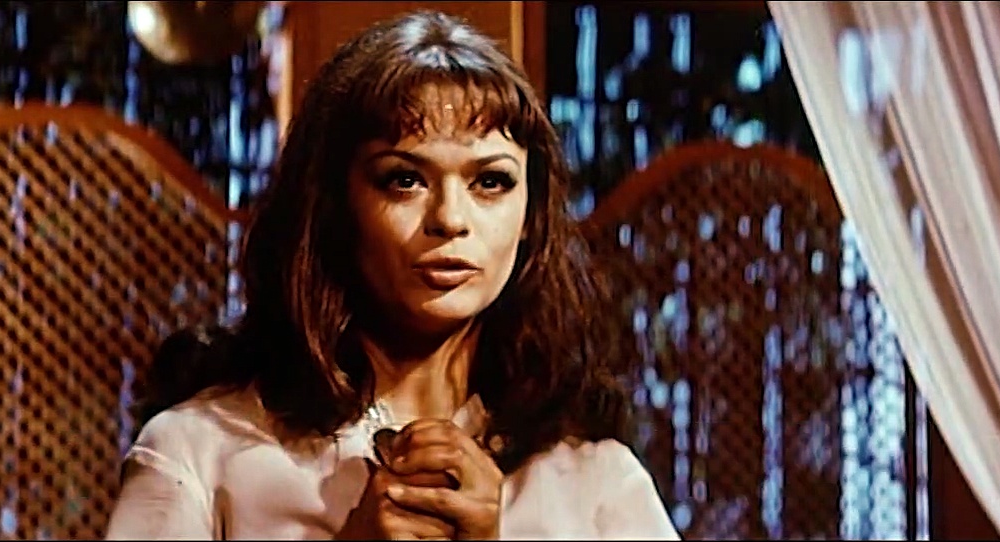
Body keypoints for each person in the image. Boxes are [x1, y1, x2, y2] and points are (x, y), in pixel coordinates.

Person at [105, 9, 680, 541]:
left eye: (490, 182)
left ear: (531, 217)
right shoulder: (201, 451)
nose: (450, 219)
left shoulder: (595, 479)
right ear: (331, 205)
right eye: (405, 180)